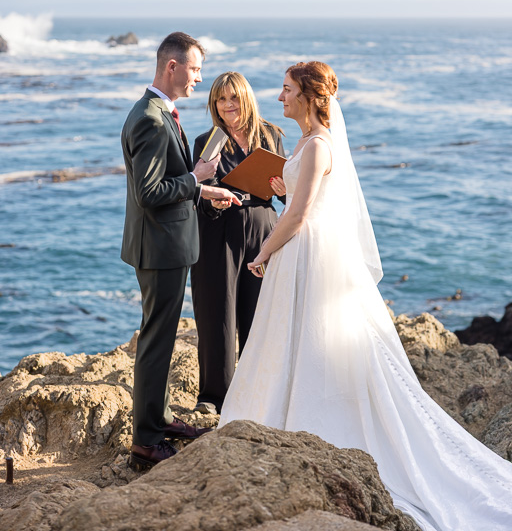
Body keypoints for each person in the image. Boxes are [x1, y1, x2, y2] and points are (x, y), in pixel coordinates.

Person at [219, 61, 512, 531]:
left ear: (311, 96)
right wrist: (282, 186)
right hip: (305, 253)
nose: (279, 97)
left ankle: (310, 422)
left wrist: (262, 253)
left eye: (287, 89)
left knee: (313, 342)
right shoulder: (308, 143)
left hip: (304, 252)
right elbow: (302, 198)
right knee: (298, 339)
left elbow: (297, 218)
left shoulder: (317, 145)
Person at [121, 32, 241, 470]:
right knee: (156, 341)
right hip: (160, 248)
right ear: (171, 67)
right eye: (194, 69)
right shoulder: (151, 119)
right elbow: (151, 192)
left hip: (165, 244)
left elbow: (166, 185)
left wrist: (202, 189)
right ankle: (147, 441)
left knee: (164, 337)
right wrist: (196, 177)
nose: (198, 79)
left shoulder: (157, 111)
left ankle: (160, 418)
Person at [191, 71, 286, 414]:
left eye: (233, 98)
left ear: (246, 98)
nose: (227, 105)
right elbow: (196, 193)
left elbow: (289, 193)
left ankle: (257, 393)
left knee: (259, 316)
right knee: (217, 316)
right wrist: (212, 202)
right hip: (219, 233)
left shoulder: (271, 135)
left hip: (263, 229)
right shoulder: (207, 140)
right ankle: (214, 399)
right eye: (220, 99)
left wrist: (285, 190)